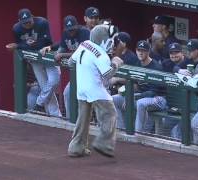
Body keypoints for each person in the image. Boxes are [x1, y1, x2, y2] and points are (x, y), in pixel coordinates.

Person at [67, 24, 123, 158]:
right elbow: (108, 74)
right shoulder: (101, 55)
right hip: (94, 89)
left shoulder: (84, 44)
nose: (112, 44)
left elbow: (70, 62)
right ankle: (104, 144)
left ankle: (76, 147)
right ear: (104, 40)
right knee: (110, 113)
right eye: (111, 40)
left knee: (83, 119)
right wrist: (116, 63)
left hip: (81, 88)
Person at [6, 8, 61, 116]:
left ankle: (39, 103)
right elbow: (20, 49)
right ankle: (56, 115)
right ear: (19, 21)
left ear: (32, 17)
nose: (27, 24)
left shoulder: (42, 22)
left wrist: (22, 46)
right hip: (34, 60)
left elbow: (46, 42)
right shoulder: (16, 29)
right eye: (24, 23)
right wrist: (23, 46)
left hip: (47, 56)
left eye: (29, 21)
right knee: (45, 86)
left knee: (54, 80)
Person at [112, 40, 166, 132]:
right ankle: (121, 129)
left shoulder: (156, 67)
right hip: (141, 97)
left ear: (148, 52)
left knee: (141, 103)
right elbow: (134, 84)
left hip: (159, 99)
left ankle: (138, 134)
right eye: (139, 50)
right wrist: (127, 94)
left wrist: (132, 97)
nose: (140, 53)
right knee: (114, 99)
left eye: (143, 50)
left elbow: (152, 92)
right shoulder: (137, 64)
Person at [54, 15, 90, 119]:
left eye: (73, 29)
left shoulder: (85, 33)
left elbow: (82, 52)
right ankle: (71, 121)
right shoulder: (65, 33)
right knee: (67, 94)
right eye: (69, 30)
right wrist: (58, 52)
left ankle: (89, 123)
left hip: (88, 73)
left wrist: (62, 55)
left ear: (77, 26)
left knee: (85, 99)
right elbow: (62, 47)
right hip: (77, 75)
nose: (71, 32)